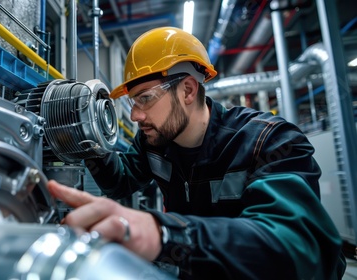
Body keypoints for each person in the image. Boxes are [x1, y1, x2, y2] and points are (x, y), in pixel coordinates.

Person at [47, 26, 347, 279]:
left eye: (145, 99)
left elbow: (301, 248)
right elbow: (120, 182)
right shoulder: (155, 143)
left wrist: (163, 234)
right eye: (132, 103)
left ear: (188, 90)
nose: (136, 116)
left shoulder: (269, 141)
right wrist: (88, 138)